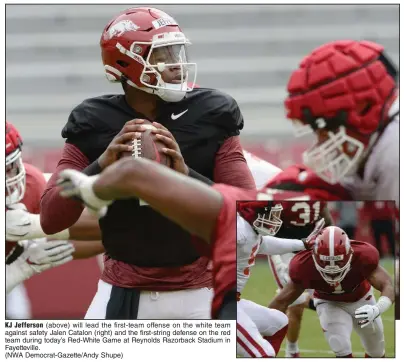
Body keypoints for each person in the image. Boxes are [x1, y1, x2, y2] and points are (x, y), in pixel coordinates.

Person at [40, 7, 255, 320]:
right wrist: (102, 163)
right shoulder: (94, 120)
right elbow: (50, 217)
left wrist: (184, 174)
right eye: (162, 55)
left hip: (200, 291)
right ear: (125, 63)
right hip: (122, 290)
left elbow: (248, 214)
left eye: (177, 51)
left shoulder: (211, 111)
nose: (177, 64)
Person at [284, 40, 399, 206]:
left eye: (327, 127)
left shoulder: (394, 154)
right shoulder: (376, 138)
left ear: (364, 109)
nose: (322, 141)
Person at [268, 226, 395, 357]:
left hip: (361, 299)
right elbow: (281, 301)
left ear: (349, 253)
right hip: (328, 302)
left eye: (338, 261)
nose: (332, 267)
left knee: (376, 350)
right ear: (314, 255)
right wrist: (260, 333)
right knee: (340, 346)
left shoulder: (363, 255)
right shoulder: (304, 265)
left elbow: (388, 285)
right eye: (325, 261)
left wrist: (378, 308)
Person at [236, 201, 324, 357]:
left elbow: (266, 244)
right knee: (264, 353)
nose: (275, 220)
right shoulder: (239, 228)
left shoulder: (251, 232)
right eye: (272, 215)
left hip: (233, 300)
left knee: (279, 322)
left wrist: (303, 243)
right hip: (220, 302)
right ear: (254, 212)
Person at [5, 122, 75, 305]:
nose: (6, 177)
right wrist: (17, 270)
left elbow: (75, 231)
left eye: (9, 166)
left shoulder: (31, 184)